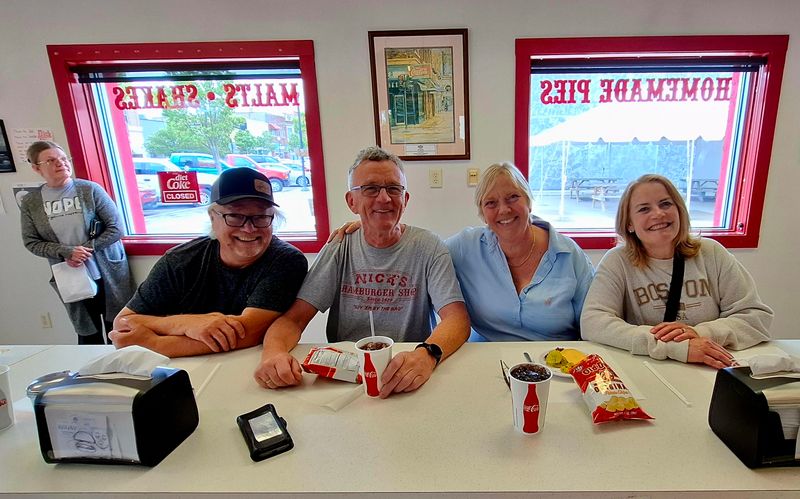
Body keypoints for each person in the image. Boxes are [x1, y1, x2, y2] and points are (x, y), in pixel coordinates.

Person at [253, 146, 470, 398]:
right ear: (351, 201)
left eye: (393, 189)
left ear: (405, 199)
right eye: (370, 189)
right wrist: (274, 354)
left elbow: (457, 319)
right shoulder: (340, 246)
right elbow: (295, 318)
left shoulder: (429, 247)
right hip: (344, 378)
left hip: (410, 373)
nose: (384, 199)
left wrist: (427, 354)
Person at [109, 167, 308, 357]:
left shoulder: (286, 261)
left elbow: (247, 334)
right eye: (235, 216)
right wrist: (186, 324)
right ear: (213, 217)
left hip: (247, 365)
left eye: (261, 217)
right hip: (179, 369)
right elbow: (123, 324)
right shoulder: (180, 261)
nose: (249, 229)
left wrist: (155, 343)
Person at [581, 174, 772, 368]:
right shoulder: (618, 261)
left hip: (712, 367)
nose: (658, 214)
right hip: (651, 368)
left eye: (665, 204)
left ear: (679, 210)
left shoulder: (712, 253)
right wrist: (677, 347)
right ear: (629, 223)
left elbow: (756, 317)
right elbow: (593, 322)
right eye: (644, 209)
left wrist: (701, 334)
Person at [446, 162, 594, 341]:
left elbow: (592, 322)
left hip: (554, 360)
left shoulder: (569, 255)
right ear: (482, 214)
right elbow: (427, 256)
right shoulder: (466, 247)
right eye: (491, 203)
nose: (504, 210)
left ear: (529, 202)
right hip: (487, 357)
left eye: (513, 197)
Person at [20, 140, 136, 344]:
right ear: (37, 168)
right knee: (87, 334)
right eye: (51, 160)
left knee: (119, 330)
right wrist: (65, 251)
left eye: (64, 159)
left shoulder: (89, 190)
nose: (61, 164)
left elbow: (116, 228)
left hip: (108, 273)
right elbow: (31, 242)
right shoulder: (31, 202)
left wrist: (86, 249)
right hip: (72, 279)